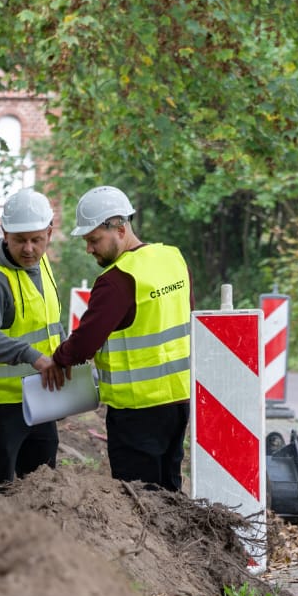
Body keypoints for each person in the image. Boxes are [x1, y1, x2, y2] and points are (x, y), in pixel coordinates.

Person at [47, 185, 192, 491]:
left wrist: (59, 359)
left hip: (137, 411)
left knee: (139, 498)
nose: (89, 249)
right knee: (169, 489)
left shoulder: (116, 280)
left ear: (121, 229)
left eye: (94, 240)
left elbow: (85, 342)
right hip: (178, 402)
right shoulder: (173, 259)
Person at [0, 187, 66, 487]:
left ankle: (34, 534)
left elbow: (48, 325)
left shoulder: (41, 263)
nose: (29, 249)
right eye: (20, 240)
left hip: (39, 396)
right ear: (5, 233)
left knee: (42, 484)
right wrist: (32, 357)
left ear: (49, 231)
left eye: (37, 239)